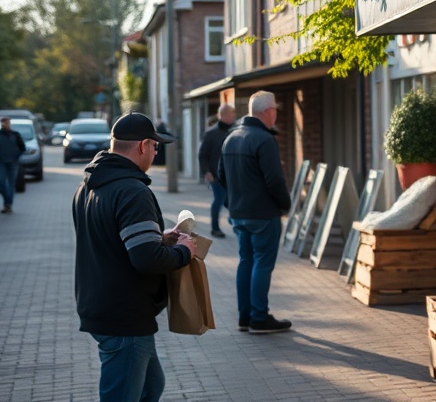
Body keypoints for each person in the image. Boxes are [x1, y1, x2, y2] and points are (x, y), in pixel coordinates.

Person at [72, 112, 198, 402]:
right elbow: (147, 259)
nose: (156, 153)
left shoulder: (89, 185)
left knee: (151, 387)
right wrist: (183, 252)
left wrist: (160, 239)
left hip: (104, 308)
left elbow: (111, 240)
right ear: (143, 145)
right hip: (123, 316)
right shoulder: (132, 190)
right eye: (155, 147)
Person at [218, 90, 292, 334]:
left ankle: (245, 317)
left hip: (239, 213)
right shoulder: (264, 139)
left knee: (246, 261)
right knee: (261, 262)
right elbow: (275, 180)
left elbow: (221, 176)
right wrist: (285, 205)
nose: (276, 115)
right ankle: (259, 317)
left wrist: (232, 201)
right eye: (275, 110)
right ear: (267, 111)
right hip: (263, 214)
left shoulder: (231, 137)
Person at [198, 103, 237, 237]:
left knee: (232, 201)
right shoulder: (211, 133)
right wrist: (207, 172)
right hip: (216, 175)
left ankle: (235, 223)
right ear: (224, 115)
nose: (234, 116)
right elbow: (202, 154)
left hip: (232, 175)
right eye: (232, 114)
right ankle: (215, 228)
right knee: (220, 199)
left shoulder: (235, 131)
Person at [0, 117, 26, 213]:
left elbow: (22, 148)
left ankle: (8, 204)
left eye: (8, 123)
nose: (6, 124)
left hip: (13, 163)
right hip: (0, 162)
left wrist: (16, 156)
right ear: (1, 124)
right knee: (1, 183)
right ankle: (7, 201)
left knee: (11, 184)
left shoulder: (15, 135)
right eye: (4, 123)